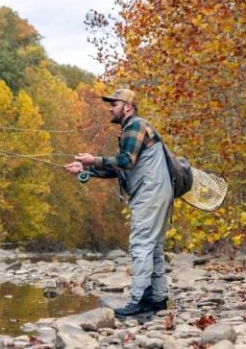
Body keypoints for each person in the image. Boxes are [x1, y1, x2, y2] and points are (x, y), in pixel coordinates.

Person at [64, 88, 172, 317]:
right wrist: (86, 169)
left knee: (141, 245)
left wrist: (93, 159)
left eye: (114, 104)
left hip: (150, 193)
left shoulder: (135, 126)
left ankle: (139, 300)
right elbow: (120, 170)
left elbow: (125, 161)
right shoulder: (130, 130)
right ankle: (158, 300)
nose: (110, 108)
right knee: (153, 248)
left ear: (128, 107)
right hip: (158, 192)